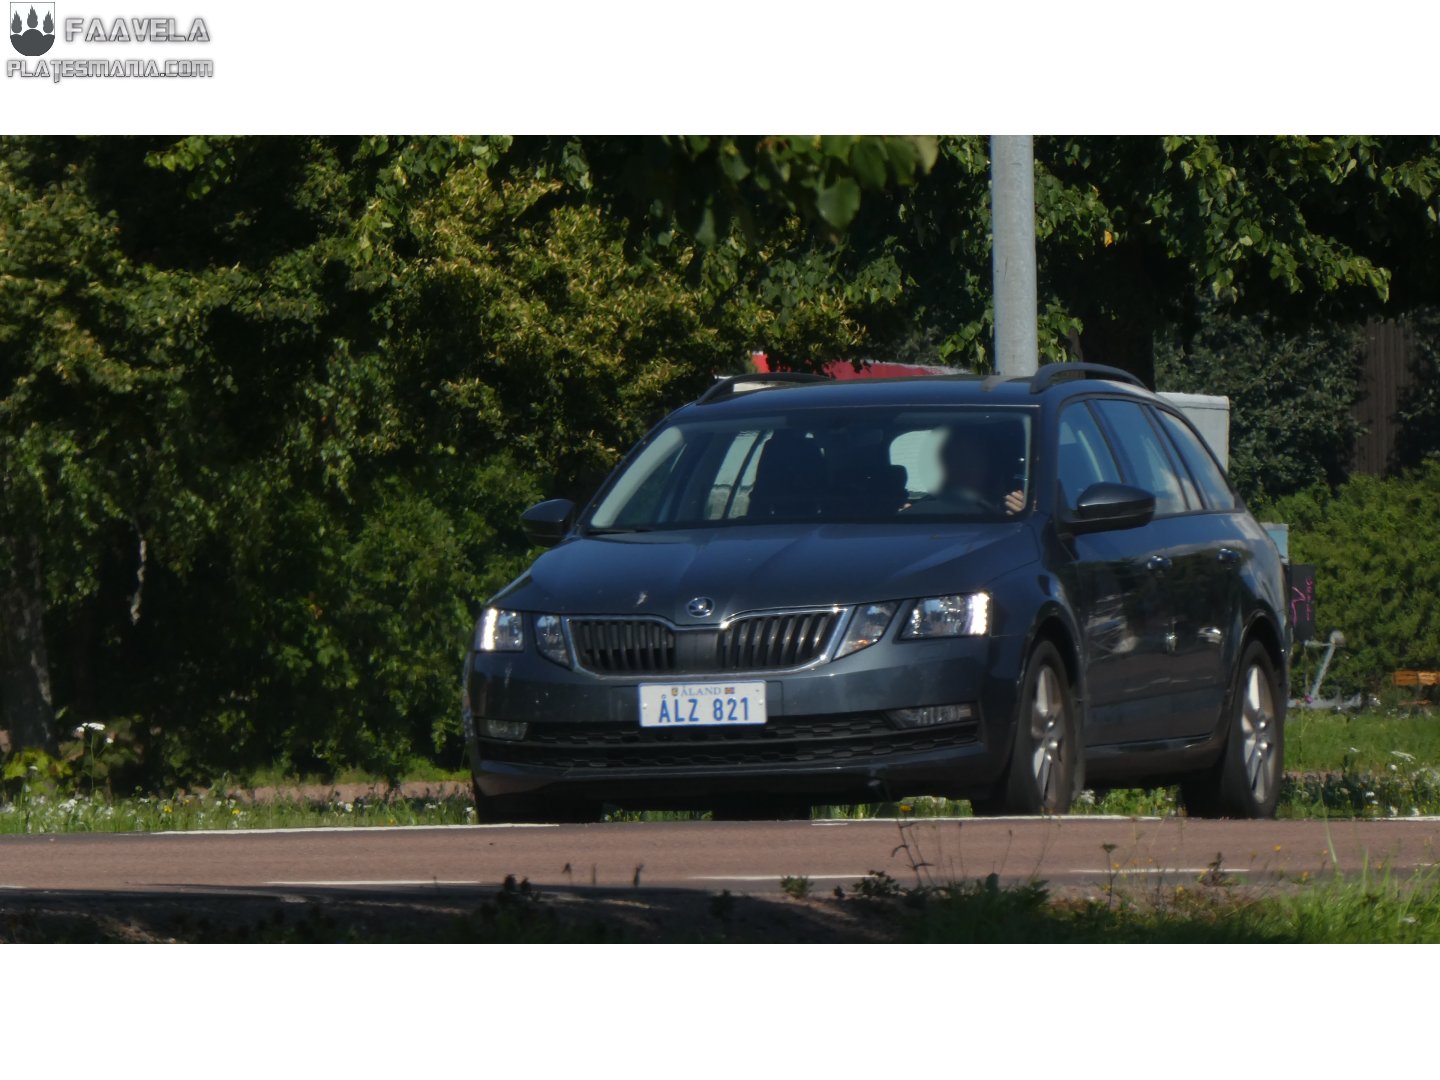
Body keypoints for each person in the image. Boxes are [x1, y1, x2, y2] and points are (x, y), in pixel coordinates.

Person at [933, 425, 1026, 515]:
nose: (962, 470)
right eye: (955, 459)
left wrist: (1022, 514)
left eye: (971, 461)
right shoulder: (933, 510)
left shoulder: (1020, 501)